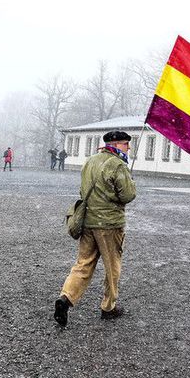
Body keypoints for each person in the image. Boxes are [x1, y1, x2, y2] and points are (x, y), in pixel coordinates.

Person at [54, 130, 137, 328]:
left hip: (88, 222)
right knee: (112, 267)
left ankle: (65, 298)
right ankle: (108, 307)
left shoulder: (90, 161)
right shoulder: (118, 164)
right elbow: (127, 195)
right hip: (109, 225)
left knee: (83, 264)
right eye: (126, 144)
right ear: (116, 144)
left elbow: (83, 190)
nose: (129, 147)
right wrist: (130, 183)